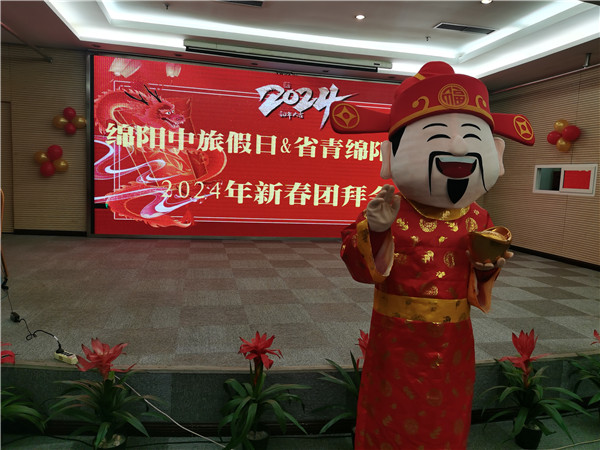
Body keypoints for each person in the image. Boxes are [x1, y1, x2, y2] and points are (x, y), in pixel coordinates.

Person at [329, 61, 534, 449]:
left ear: (497, 154)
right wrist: (376, 229)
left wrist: (486, 269)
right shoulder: (389, 207)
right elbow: (359, 267)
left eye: (471, 137)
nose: (458, 148)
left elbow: (477, 279)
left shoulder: (479, 217)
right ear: (389, 156)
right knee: (391, 410)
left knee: (448, 411)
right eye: (438, 136)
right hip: (397, 339)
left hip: (455, 339)